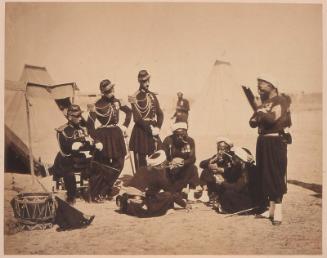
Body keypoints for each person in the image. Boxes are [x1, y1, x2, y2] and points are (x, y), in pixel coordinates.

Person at [249, 75, 292, 225]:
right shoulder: (265, 102)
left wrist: (259, 109)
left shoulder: (281, 100)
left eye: (262, 83)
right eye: (258, 83)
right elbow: (252, 122)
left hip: (275, 141)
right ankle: (271, 209)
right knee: (264, 173)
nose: (259, 86)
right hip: (262, 140)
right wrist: (260, 110)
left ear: (272, 85)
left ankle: (278, 211)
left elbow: (270, 119)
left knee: (275, 173)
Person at [87, 79, 132, 201]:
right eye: (108, 90)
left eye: (112, 89)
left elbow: (129, 112)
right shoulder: (97, 105)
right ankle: (96, 194)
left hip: (116, 134)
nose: (111, 91)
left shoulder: (117, 101)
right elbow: (89, 126)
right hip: (103, 136)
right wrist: (96, 140)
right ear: (103, 92)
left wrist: (125, 125)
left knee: (119, 163)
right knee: (102, 166)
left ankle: (106, 189)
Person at [50, 104, 102, 204]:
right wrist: (72, 146)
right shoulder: (62, 131)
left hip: (81, 159)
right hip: (66, 159)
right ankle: (71, 196)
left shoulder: (83, 128)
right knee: (68, 172)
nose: (79, 118)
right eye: (77, 116)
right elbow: (63, 150)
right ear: (70, 117)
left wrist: (94, 143)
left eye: (80, 115)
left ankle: (93, 193)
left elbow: (89, 141)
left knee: (98, 166)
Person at [116, 150, 191, 217]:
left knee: (145, 194)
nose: (166, 165)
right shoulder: (159, 176)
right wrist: (184, 204)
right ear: (161, 164)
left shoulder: (141, 169)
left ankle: (126, 203)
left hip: (131, 200)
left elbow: (130, 184)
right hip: (142, 209)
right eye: (165, 162)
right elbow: (172, 192)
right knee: (168, 195)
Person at [128, 70, 164, 170]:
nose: (147, 83)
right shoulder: (134, 97)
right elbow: (137, 118)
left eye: (148, 81)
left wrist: (158, 128)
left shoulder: (152, 95)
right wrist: (150, 130)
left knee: (157, 156)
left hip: (153, 129)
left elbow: (160, 114)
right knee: (141, 160)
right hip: (141, 131)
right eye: (144, 81)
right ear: (139, 82)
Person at [162, 122, 200, 194]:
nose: (180, 137)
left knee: (193, 168)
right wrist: (170, 163)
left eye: (182, 134)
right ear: (174, 134)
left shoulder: (190, 141)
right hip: (170, 168)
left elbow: (192, 158)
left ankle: (194, 190)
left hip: (183, 167)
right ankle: (174, 190)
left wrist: (183, 163)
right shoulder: (168, 140)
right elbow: (162, 157)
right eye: (178, 135)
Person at [216, 146, 257, 214]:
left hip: (250, 200)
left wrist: (222, 183)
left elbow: (237, 188)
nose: (232, 160)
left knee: (228, 193)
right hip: (246, 196)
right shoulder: (241, 167)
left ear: (240, 159)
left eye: (235, 158)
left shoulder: (247, 170)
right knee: (224, 190)